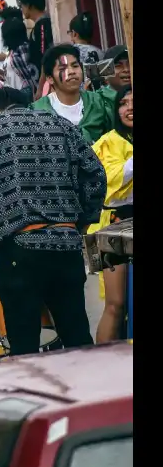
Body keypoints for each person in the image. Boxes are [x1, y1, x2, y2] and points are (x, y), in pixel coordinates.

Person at [0, 86, 105, 355]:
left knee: (24, 344)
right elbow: (95, 174)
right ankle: (90, 392)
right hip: (66, 243)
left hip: (19, 247)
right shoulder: (62, 125)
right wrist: (83, 222)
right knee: (76, 336)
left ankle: (34, 396)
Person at [89, 86, 133, 343]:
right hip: (116, 226)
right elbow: (107, 184)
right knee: (116, 304)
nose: (130, 108)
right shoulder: (107, 142)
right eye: (124, 103)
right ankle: (102, 365)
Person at [31, 44, 114, 144]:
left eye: (75, 66)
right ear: (50, 78)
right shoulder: (38, 111)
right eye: (62, 69)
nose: (71, 72)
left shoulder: (99, 102)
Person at [17, 0, 54, 96]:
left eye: (22, 6)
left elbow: (45, 57)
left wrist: (41, 88)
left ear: (29, 5)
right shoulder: (38, 26)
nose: (22, 10)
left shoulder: (42, 25)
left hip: (46, 86)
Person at [0, 17, 38, 94]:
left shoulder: (22, 48)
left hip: (24, 94)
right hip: (14, 93)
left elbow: (29, 73)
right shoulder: (12, 50)